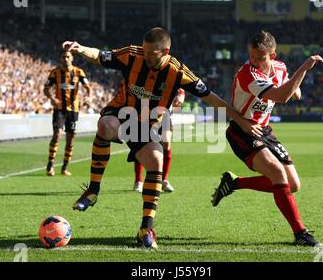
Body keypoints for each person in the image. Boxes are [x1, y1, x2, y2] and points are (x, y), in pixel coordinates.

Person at [62, 27, 257, 249]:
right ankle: (93, 191)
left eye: (150, 53)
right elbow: (100, 55)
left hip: (145, 125)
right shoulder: (133, 55)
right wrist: (80, 48)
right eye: (144, 51)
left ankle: (146, 228)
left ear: (165, 51)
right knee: (105, 125)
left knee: (157, 161)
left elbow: (212, 99)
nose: (145, 56)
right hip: (121, 112)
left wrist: (241, 122)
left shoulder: (178, 72)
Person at [211, 31, 323, 247]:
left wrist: (294, 88)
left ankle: (234, 183)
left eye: (260, 58)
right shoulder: (248, 74)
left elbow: (290, 91)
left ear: (272, 55)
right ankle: (300, 233)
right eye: (251, 56)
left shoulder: (279, 68)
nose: (254, 62)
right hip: (241, 130)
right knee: (277, 173)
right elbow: (281, 96)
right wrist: (304, 69)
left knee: (293, 184)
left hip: (264, 130)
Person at [43, 50, 92, 176]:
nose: (65, 59)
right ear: (61, 58)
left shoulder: (78, 72)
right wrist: (52, 98)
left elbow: (88, 88)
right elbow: (46, 88)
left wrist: (88, 97)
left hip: (74, 110)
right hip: (59, 109)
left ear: (72, 58)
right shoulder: (55, 72)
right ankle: (50, 165)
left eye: (68, 57)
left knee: (70, 139)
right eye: (63, 56)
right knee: (57, 134)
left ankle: (64, 167)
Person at [132, 88, 185, 193]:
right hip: (146, 114)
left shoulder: (171, 75)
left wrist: (181, 96)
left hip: (165, 115)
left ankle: (163, 181)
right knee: (143, 145)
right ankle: (138, 181)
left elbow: (180, 90)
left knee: (166, 144)